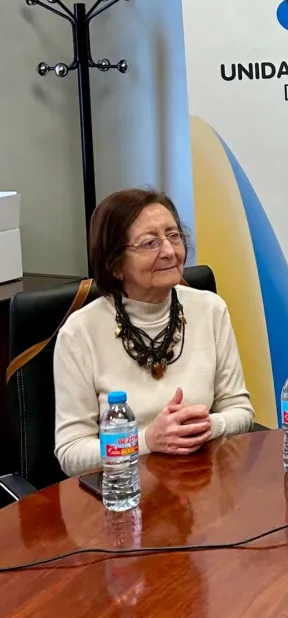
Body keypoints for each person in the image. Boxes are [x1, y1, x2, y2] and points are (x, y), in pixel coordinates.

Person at [54, 188, 255, 476]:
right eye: (150, 243)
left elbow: (241, 410)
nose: (170, 251)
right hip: (122, 492)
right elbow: (71, 453)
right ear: (116, 265)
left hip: (201, 485)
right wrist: (146, 441)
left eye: (173, 235)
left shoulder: (210, 309)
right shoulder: (79, 333)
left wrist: (209, 426)